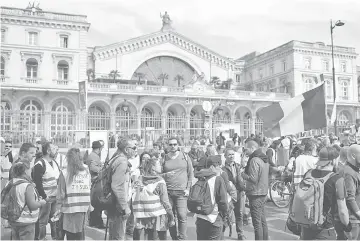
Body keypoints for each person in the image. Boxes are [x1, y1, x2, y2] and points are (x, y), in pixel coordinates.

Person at [300, 146, 350, 240]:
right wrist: (347, 226)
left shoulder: (308, 174)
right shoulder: (337, 179)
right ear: (333, 160)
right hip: (326, 230)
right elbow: (342, 210)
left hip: (306, 227)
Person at [132, 157, 175, 240]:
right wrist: (171, 217)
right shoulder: (160, 182)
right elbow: (165, 202)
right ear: (153, 168)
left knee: (145, 236)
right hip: (157, 215)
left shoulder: (139, 179)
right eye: (159, 164)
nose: (161, 165)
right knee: (160, 237)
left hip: (142, 214)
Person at [55, 148, 91, 240]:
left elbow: (61, 194)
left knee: (70, 234)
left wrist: (58, 209)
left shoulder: (65, 172)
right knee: (80, 232)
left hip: (70, 208)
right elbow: (89, 186)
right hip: (83, 207)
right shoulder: (86, 170)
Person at [162, 137, 193, 240]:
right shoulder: (165, 158)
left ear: (178, 145)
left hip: (182, 192)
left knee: (182, 215)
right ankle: (174, 237)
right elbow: (159, 174)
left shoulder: (185, 156)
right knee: (170, 217)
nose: (173, 146)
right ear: (168, 145)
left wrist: (188, 188)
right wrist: (166, 174)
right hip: (167, 192)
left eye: (175, 144)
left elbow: (190, 173)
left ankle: (182, 238)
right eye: (170, 144)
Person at [7, 162, 46, 240]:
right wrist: (41, 203)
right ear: (25, 171)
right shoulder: (27, 186)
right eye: (30, 170)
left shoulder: (10, 183)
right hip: (26, 221)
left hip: (14, 219)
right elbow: (32, 205)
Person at [194, 155, 228, 240]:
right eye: (219, 166)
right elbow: (223, 201)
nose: (220, 169)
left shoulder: (198, 178)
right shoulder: (217, 179)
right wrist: (224, 216)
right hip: (214, 217)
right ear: (212, 167)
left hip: (200, 216)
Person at [33, 142, 62, 240]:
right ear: (48, 151)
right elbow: (37, 183)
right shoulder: (40, 164)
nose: (56, 150)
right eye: (54, 149)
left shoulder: (54, 162)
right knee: (43, 220)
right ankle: (41, 238)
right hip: (45, 198)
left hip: (54, 197)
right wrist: (44, 196)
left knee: (54, 218)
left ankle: (55, 237)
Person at [241, 140, 269, 240]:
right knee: (262, 221)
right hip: (263, 192)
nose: (245, 151)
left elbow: (253, 178)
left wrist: (243, 175)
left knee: (257, 224)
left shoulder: (254, 160)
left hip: (256, 193)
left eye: (246, 149)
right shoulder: (263, 158)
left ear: (252, 148)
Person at [107, 137, 133, 240]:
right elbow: (117, 186)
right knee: (118, 236)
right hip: (118, 205)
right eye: (133, 147)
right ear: (126, 149)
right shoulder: (122, 162)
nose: (135, 150)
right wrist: (124, 206)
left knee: (114, 236)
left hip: (114, 203)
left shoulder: (115, 158)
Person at [222, 149, 246, 240]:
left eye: (233, 154)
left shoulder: (238, 166)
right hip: (228, 195)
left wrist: (243, 186)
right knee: (226, 215)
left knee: (239, 214)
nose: (231, 156)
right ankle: (221, 233)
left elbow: (242, 178)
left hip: (239, 193)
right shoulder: (222, 168)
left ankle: (240, 234)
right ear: (225, 156)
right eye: (229, 155)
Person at [340, 144, 360, 240]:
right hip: (353, 219)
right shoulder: (349, 172)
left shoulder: (354, 170)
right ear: (353, 156)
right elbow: (350, 198)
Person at [87, 141, 105, 228]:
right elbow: (93, 167)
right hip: (95, 181)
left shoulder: (92, 155)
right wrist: (102, 169)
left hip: (94, 181)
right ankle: (97, 222)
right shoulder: (94, 156)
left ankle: (94, 221)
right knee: (98, 202)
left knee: (95, 202)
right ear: (99, 148)